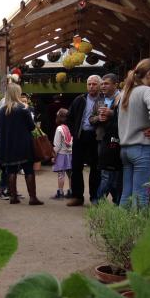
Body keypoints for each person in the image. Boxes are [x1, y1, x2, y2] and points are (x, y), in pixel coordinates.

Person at [118, 58, 150, 207]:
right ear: (149, 73)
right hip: (143, 148)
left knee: (126, 195)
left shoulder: (126, 92)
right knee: (141, 196)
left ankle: (122, 228)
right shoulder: (146, 91)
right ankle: (138, 230)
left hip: (126, 150)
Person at [0, 83, 43, 205]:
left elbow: (0, 131)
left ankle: (13, 197)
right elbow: (32, 127)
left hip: (8, 146)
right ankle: (32, 198)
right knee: (28, 170)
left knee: (11, 170)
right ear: (17, 93)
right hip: (24, 145)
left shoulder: (1, 112)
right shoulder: (23, 108)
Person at [65, 75, 103, 206]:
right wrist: (74, 132)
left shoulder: (104, 100)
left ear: (99, 85)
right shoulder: (79, 100)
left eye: (94, 84)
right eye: (89, 84)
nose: (91, 86)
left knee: (96, 168)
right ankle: (77, 197)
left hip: (96, 137)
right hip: (80, 136)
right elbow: (69, 117)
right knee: (76, 167)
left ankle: (95, 197)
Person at [95, 74, 122, 203]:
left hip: (117, 139)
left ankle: (99, 201)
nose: (103, 86)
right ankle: (113, 201)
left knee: (112, 172)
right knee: (105, 172)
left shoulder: (121, 98)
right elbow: (90, 118)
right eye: (102, 84)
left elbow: (124, 116)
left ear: (115, 85)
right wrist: (97, 118)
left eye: (106, 83)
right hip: (103, 139)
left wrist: (111, 114)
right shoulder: (100, 100)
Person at [51, 108, 72, 199]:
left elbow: (57, 145)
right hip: (71, 154)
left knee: (61, 174)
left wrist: (53, 155)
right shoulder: (70, 127)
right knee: (70, 174)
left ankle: (60, 192)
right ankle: (71, 191)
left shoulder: (59, 129)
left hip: (61, 154)